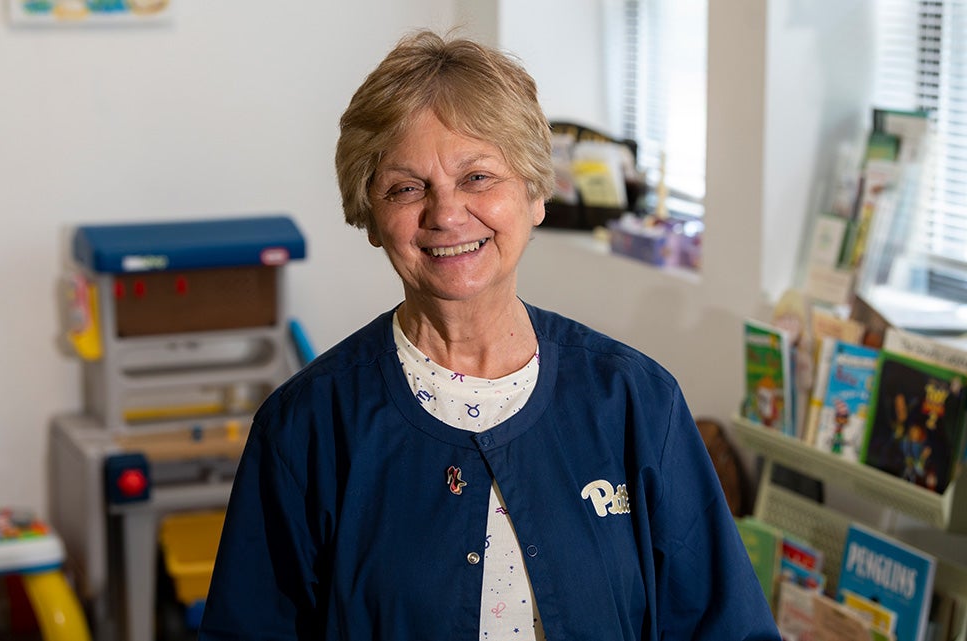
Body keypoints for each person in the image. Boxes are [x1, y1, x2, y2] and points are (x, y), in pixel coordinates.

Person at [198, 29, 780, 641]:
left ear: (534, 194)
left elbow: (727, 629)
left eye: (478, 177)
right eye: (406, 187)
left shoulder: (638, 403)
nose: (446, 213)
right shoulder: (305, 426)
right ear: (370, 217)